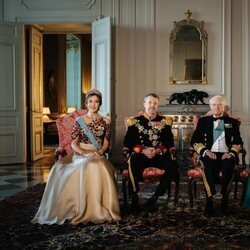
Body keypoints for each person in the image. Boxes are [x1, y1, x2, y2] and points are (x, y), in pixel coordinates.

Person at [32, 89, 121, 225]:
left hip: (97, 153)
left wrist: (100, 152)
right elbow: (73, 144)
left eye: (96, 102)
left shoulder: (106, 121)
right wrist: (84, 153)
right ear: (86, 103)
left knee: (98, 166)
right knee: (84, 165)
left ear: (100, 104)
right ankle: (78, 207)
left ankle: (98, 207)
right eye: (90, 101)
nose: (93, 104)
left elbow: (106, 142)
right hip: (80, 153)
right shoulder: (79, 120)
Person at [123, 93, 179, 212]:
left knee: (173, 165)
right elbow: (128, 142)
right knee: (132, 160)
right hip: (141, 155)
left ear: (158, 106)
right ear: (144, 104)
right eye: (150, 102)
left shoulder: (165, 121)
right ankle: (134, 195)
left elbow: (169, 142)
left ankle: (155, 197)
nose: (152, 105)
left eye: (155, 103)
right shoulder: (134, 121)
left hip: (158, 155)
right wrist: (143, 150)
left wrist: (158, 150)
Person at [190, 95, 243, 216]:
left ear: (224, 106)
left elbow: (238, 142)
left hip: (226, 155)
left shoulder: (232, 122)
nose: (217, 107)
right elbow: (194, 141)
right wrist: (205, 151)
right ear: (210, 106)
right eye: (214, 105)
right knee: (206, 164)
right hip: (209, 154)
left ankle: (224, 200)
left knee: (229, 165)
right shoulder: (203, 121)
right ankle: (210, 200)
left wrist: (231, 153)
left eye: (220, 104)